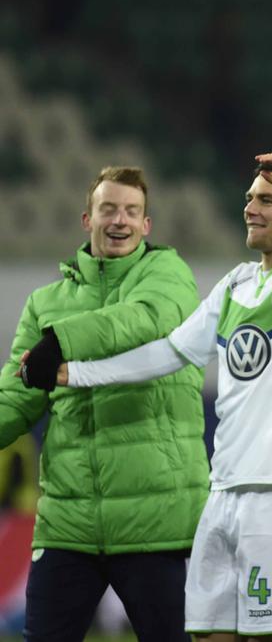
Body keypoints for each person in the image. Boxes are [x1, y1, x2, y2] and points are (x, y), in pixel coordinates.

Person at [46, 153, 272, 642]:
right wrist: (77, 373)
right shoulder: (237, 284)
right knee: (207, 638)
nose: (250, 207)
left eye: (267, 200)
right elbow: (170, 352)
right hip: (223, 494)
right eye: (249, 197)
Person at [0, 165, 208, 642]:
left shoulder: (168, 275)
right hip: (68, 523)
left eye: (132, 212)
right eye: (109, 209)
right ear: (86, 219)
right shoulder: (44, 304)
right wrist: (52, 343)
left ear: (147, 225)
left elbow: (141, 321)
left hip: (154, 519)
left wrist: (60, 340)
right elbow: (17, 394)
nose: (120, 220)